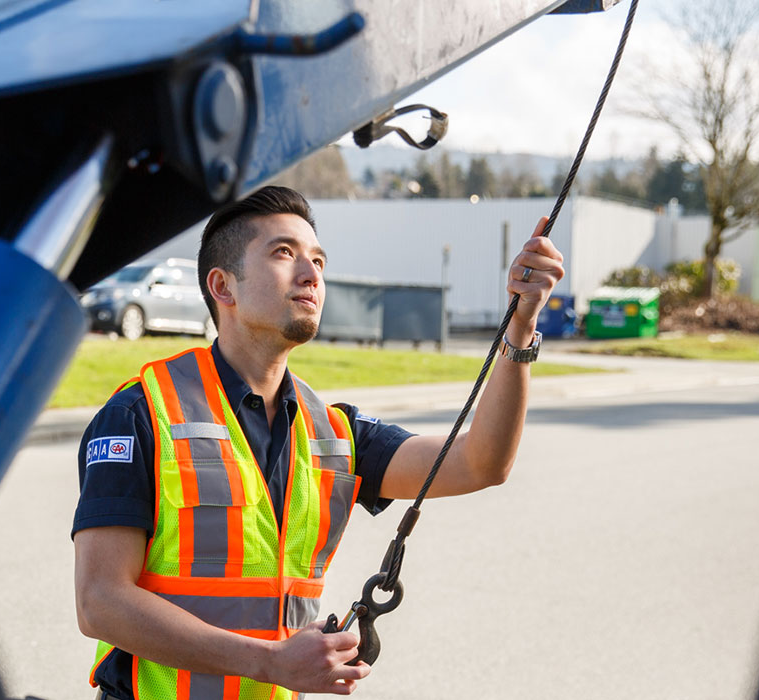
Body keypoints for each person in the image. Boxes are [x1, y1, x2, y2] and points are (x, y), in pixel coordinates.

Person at [72, 186, 564, 700]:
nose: (311, 274)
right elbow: (100, 601)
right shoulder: (140, 414)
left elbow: (479, 462)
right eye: (284, 253)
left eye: (318, 260)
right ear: (223, 286)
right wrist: (269, 663)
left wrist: (521, 327)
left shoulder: (332, 432)